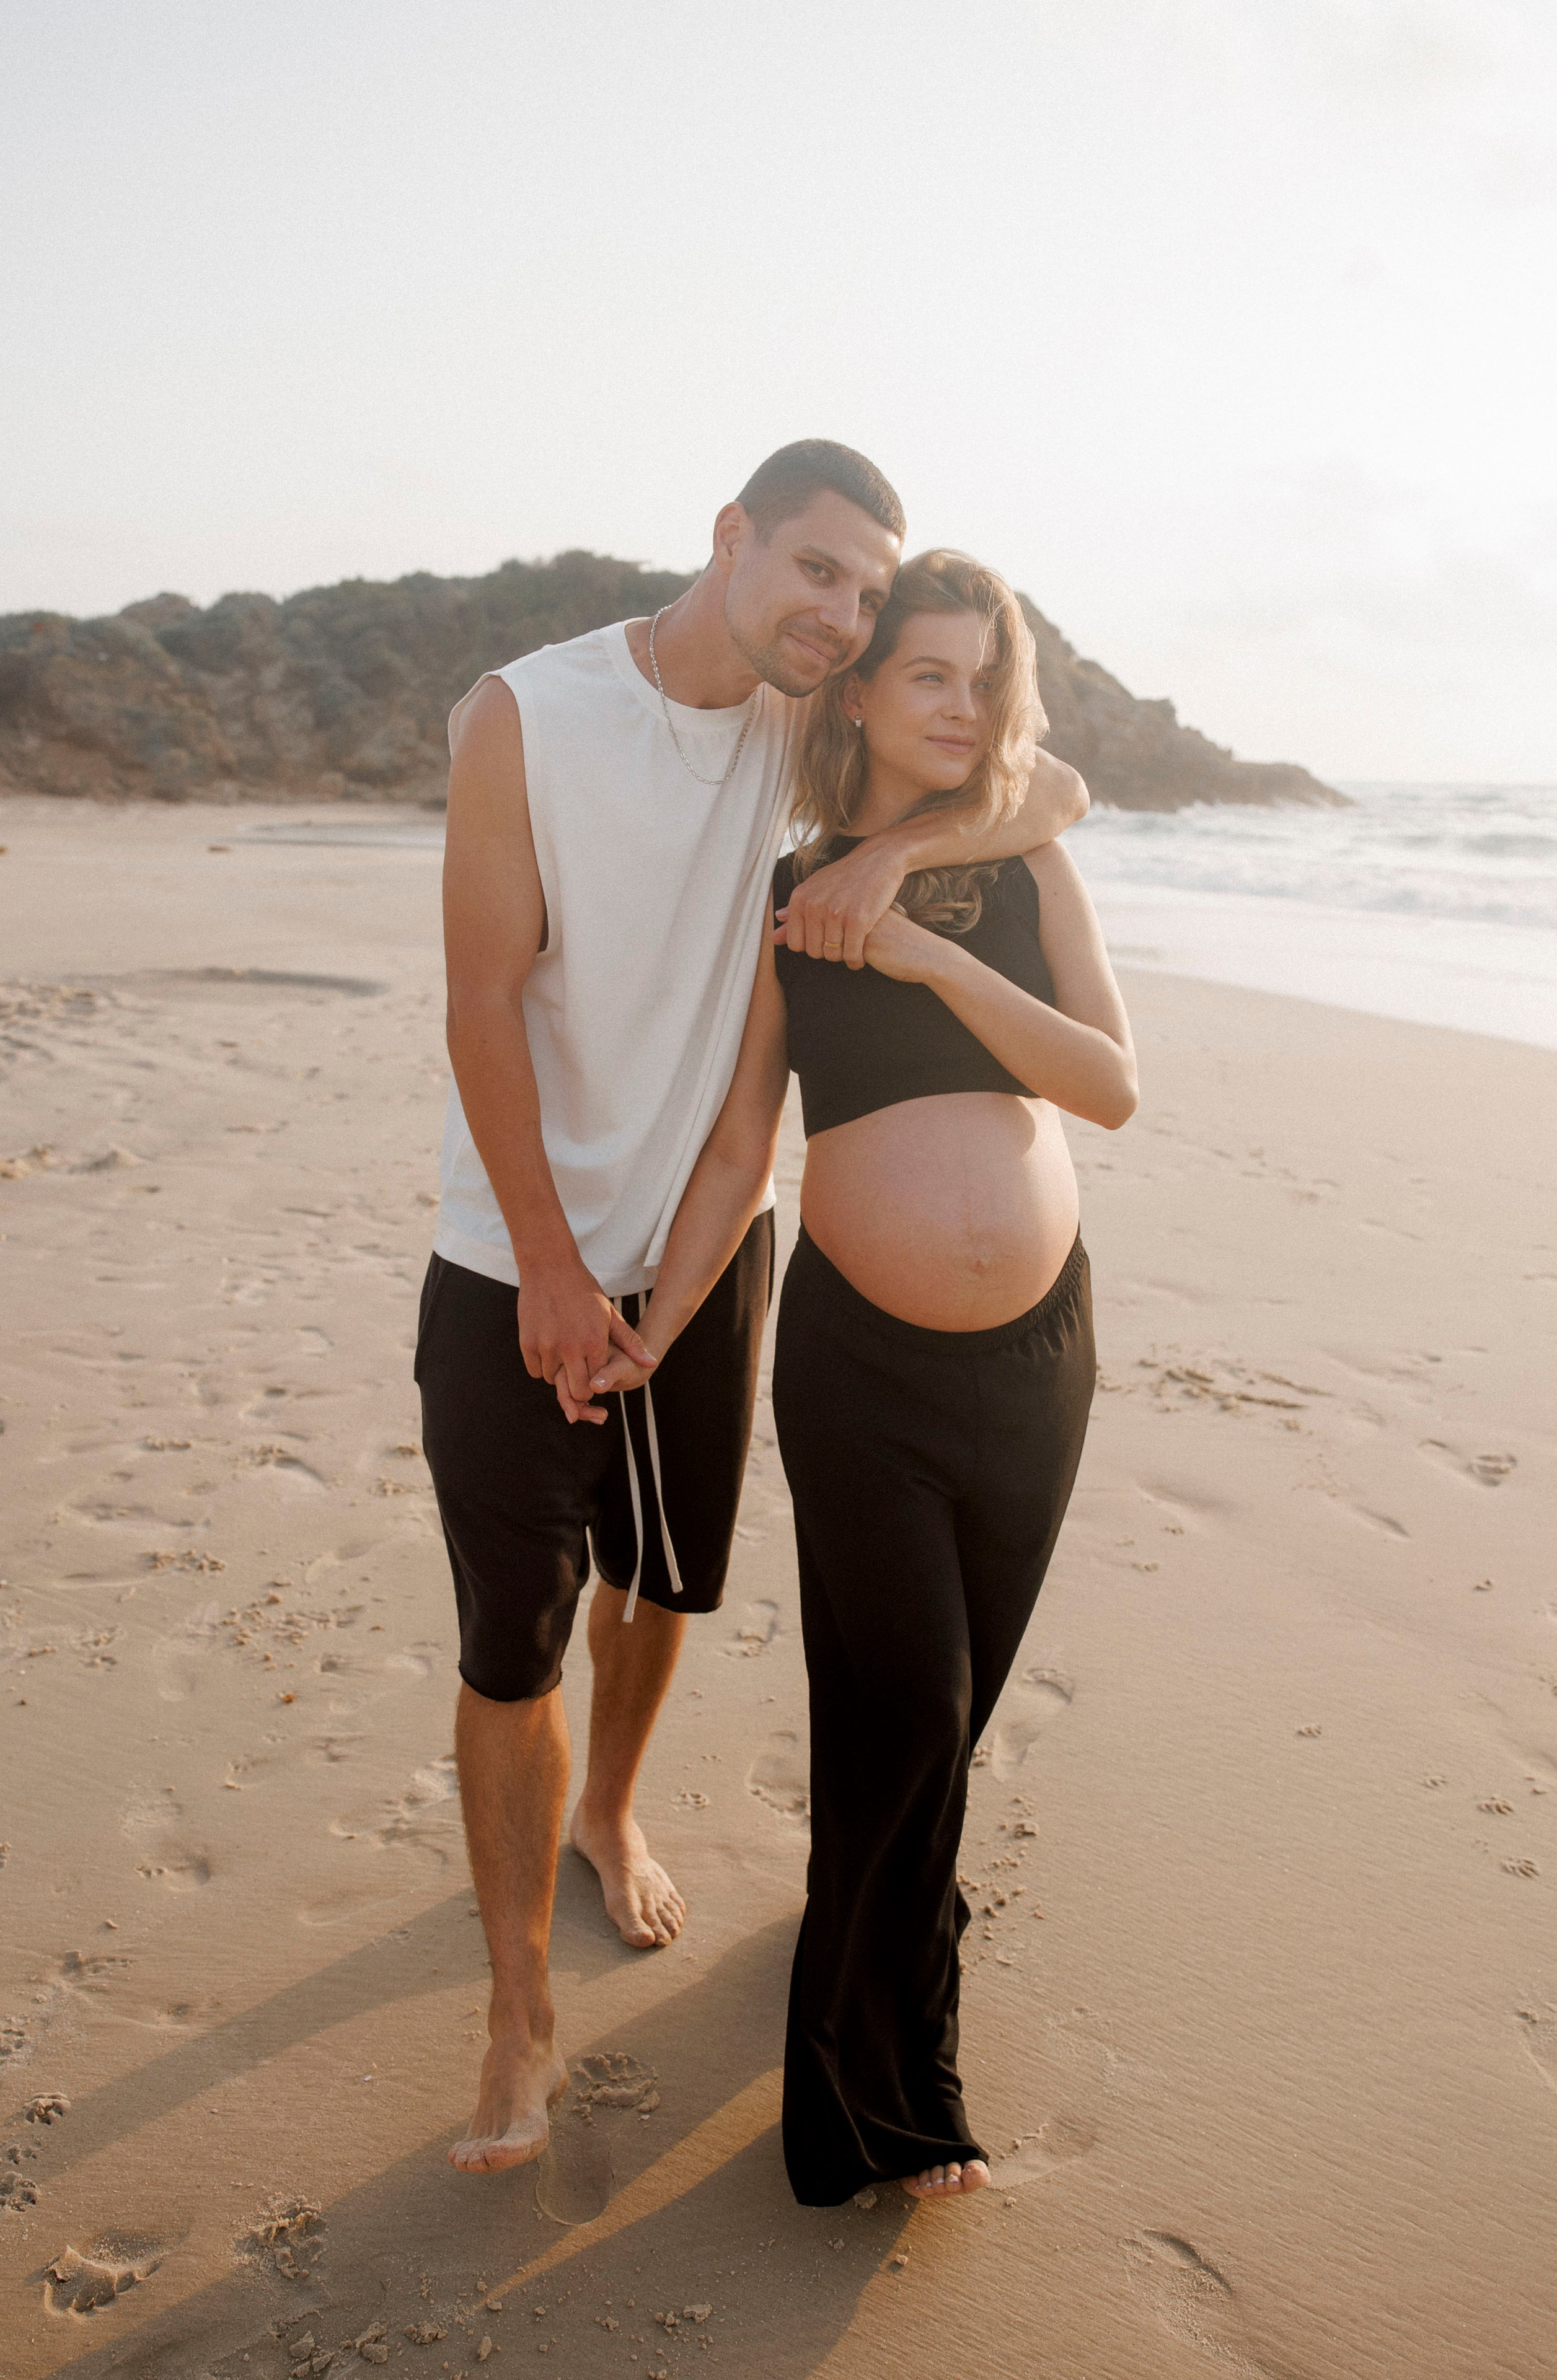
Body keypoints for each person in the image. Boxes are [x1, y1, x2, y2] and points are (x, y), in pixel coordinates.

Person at [417, 452, 1090, 2176]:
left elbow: (1048, 784)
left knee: (664, 1580)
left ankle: (612, 1810)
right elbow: (482, 1003)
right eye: (818, 570)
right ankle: (516, 2015)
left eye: (866, 592)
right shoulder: (527, 715)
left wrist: (907, 864)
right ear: (729, 540)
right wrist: (559, 1266)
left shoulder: (816, 728)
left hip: (716, 1264)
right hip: (522, 1255)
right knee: (514, 1634)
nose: (840, 612)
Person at [588, 550, 1136, 2206]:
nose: (962, 705)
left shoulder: (1025, 863)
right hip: (866, 1369)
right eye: (929, 675)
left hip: (1043, 1360)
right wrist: (657, 1323)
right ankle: (884, 2107)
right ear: (865, 692)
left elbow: (1108, 1084)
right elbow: (746, 1138)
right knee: (905, 1712)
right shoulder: (790, 894)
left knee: (940, 1730)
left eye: (985, 677)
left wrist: (927, 951)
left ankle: (883, 1984)